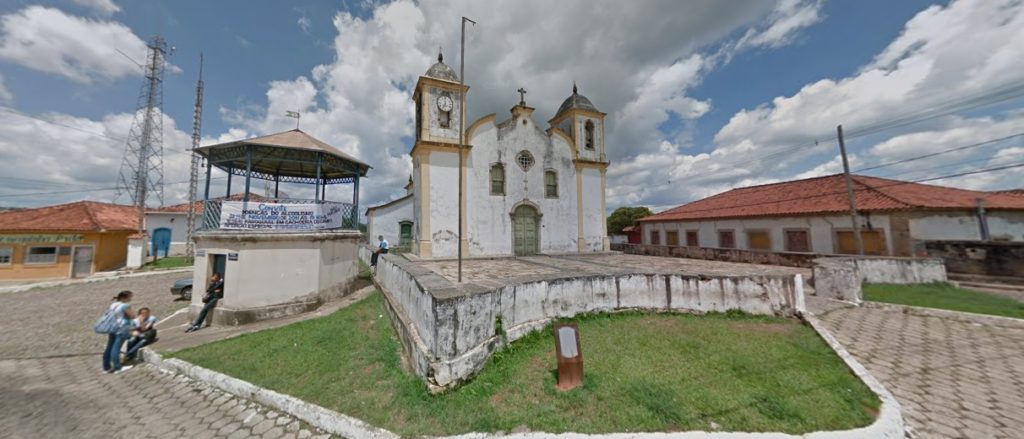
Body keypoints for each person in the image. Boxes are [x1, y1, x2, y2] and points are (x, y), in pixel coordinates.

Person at [102, 290, 135, 374]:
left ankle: (106, 367)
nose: (131, 299)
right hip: (122, 327)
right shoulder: (125, 306)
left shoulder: (113, 305)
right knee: (116, 347)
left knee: (109, 347)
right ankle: (117, 367)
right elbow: (132, 316)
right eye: (130, 297)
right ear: (124, 297)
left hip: (112, 327)